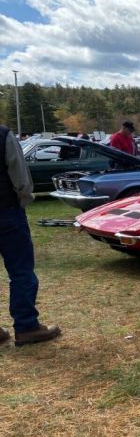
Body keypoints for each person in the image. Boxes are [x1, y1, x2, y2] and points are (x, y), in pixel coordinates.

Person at [0, 125, 61, 346]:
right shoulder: (3, 135)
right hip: (6, 211)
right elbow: (20, 176)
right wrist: (23, 201)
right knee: (21, 271)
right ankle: (26, 327)